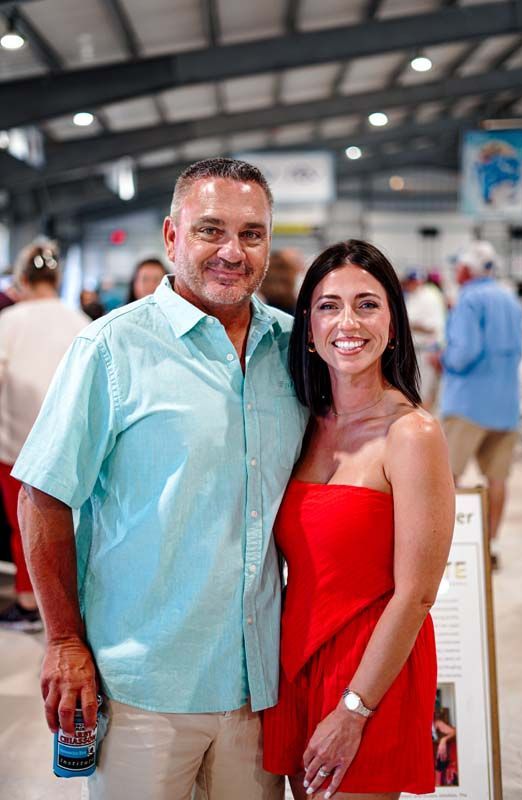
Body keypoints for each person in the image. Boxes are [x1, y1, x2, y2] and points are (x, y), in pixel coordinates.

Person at [12, 158, 308, 800]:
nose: (232, 251)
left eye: (252, 234)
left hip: (260, 688)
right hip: (143, 687)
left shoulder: (296, 351)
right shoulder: (110, 350)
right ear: (172, 238)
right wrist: (63, 641)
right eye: (210, 230)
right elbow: (42, 496)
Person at [262, 240, 455, 799]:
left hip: (369, 672)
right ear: (309, 326)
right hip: (298, 660)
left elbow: (417, 594)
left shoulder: (412, 435)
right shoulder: (306, 423)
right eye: (329, 306)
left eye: (367, 304)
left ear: (394, 323)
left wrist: (355, 708)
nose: (348, 322)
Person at [0, 241, 88, 631]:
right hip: (73, 446)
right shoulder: (81, 320)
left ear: (22, 277)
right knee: (70, 529)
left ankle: (28, 599)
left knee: (25, 526)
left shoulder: (10, 322)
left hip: (16, 443)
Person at [439, 241, 522, 569]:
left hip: (468, 403)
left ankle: (450, 548)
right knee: (498, 479)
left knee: (448, 478)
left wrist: (441, 357)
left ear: (465, 270)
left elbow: (463, 353)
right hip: (505, 404)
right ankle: (492, 545)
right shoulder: (510, 299)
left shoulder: (470, 300)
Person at [403, 269, 446, 411]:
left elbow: (433, 328)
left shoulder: (429, 297)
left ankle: (422, 427)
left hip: (427, 351)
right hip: (417, 350)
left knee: (422, 394)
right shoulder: (414, 296)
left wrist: (409, 324)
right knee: (417, 392)